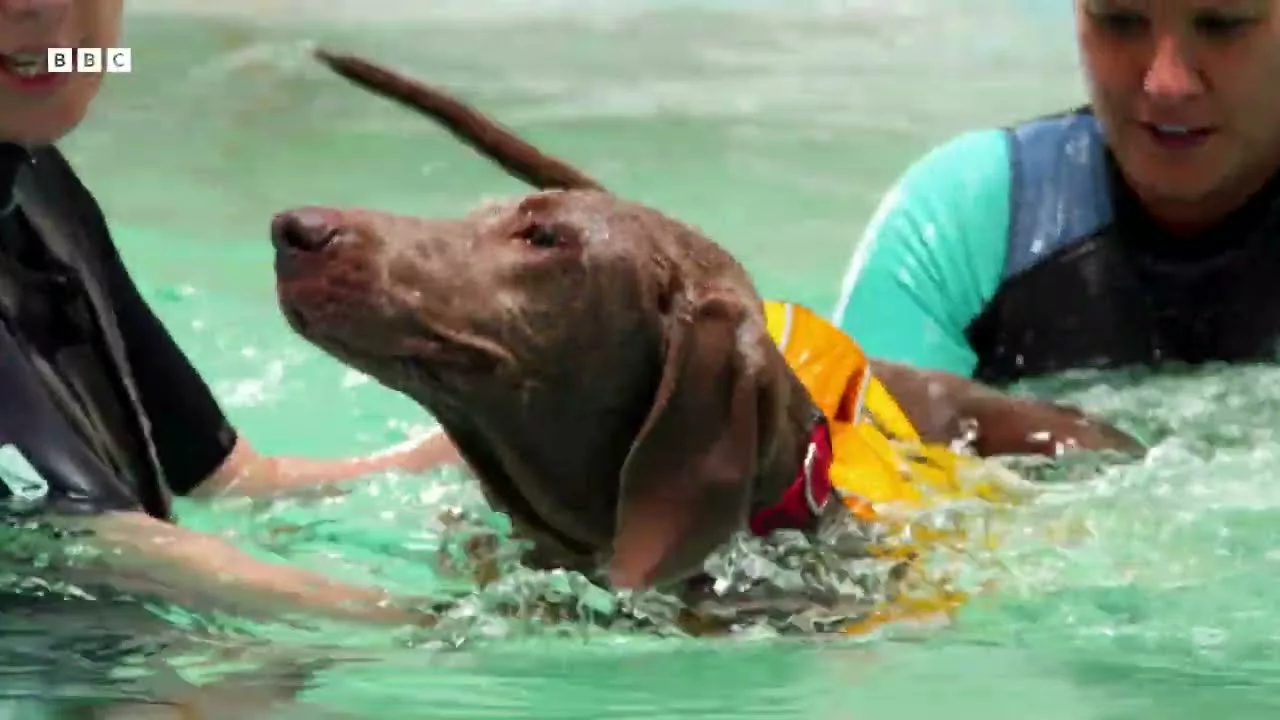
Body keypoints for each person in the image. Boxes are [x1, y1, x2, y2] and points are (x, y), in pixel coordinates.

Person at [0, 0, 463, 627]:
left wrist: (474, 449)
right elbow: (83, 544)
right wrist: (445, 625)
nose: (41, 4)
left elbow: (231, 479)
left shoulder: (35, 181)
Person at [831, 0, 1280, 386]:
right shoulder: (968, 223)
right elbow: (847, 441)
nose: (1166, 84)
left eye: (1224, 24)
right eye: (1120, 20)